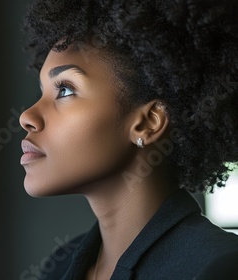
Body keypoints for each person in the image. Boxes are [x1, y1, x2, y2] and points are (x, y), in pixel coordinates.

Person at [19, 0, 238, 279]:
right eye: (42, 91)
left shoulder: (217, 268)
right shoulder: (58, 268)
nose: (27, 116)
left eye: (64, 90)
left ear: (147, 123)